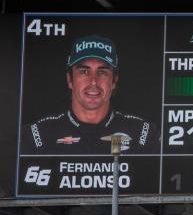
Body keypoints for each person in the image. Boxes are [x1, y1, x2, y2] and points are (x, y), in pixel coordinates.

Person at [21, 35, 159, 155]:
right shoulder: (37, 135)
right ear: (70, 80)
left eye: (102, 72)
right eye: (84, 71)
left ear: (114, 81)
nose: (93, 81)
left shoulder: (143, 134)